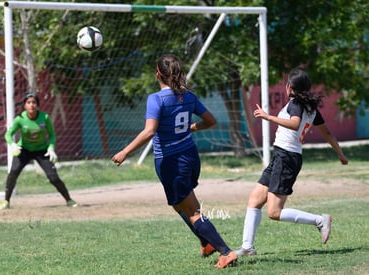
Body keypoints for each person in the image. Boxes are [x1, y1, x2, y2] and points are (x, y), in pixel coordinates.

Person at [111, 54, 237, 268]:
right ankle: (206, 243)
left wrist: (125, 151)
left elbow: (149, 131)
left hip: (171, 162)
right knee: (179, 205)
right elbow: (211, 121)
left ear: (158, 74)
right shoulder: (188, 96)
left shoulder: (156, 99)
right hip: (190, 156)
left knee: (193, 211)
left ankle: (225, 251)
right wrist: (193, 128)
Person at [235, 67, 349, 257]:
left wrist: (267, 116)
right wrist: (340, 154)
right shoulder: (310, 108)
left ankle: (320, 220)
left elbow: (295, 124)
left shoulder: (295, 104)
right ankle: (247, 248)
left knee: (274, 212)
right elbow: (327, 133)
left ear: (289, 88)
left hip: (286, 158)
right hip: (283, 156)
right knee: (254, 199)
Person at [0, 93, 78, 210]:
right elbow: (8, 134)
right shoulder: (20, 119)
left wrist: (51, 148)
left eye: (34, 102)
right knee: (13, 172)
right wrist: (13, 145)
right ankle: (6, 201)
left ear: (38, 105)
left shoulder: (44, 118)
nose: (31, 105)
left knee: (53, 177)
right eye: (28, 103)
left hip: (41, 150)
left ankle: (69, 200)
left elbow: (52, 135)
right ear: (24, 105)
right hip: (24, 150)